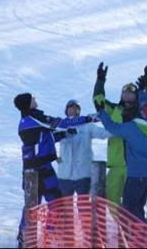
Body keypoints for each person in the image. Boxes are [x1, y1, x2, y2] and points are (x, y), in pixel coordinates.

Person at [13, 93, 93, 247]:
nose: (35, 99)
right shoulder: (33, 118)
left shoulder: (30, 121)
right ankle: (27, 239)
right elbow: (59, 123)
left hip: (42, 167)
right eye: (32, 98)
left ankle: (48, 235)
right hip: (36, 170)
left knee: (55, 203)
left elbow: (45, 138)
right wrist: (87, 119)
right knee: (35, 206)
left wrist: (64, 135)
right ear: (28, 103)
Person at [92, 62, 147, 204]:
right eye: (124, 93)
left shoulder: (140, 112)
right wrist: (100, 81)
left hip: (134, 165)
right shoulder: (114, 110)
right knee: (111, 199)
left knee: (133, 203)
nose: (126, 95)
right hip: (116, 163)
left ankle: (132, 225)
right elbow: (98, 101)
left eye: (130, 93)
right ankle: (122, 225)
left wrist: (146, 85)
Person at [97, 98, 147, 222]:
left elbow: (112, 127)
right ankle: (141, 234)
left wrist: (101, 112)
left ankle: (137, 236)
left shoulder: (133, 128)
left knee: (129, 207)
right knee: (138, 206)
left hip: (137, 174)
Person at [57, 99, 111, 197]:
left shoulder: (87, 126)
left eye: (76, 108)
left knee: (84, 206)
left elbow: (103, 133)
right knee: (65, 207)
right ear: (66, 110)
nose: (73, 109)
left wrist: (119, 128)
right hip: (64, 174)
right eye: (71, 107)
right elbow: (50, 137)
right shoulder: (60, 126)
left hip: (83, 174)